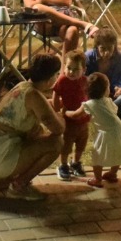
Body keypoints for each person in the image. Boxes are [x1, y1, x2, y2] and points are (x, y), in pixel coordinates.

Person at [0, 51, 65, 200]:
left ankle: (2, 180)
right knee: (56, 143)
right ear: (50, 79)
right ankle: (19, 185)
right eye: (57, 74)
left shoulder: (22, 86)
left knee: (37, 131)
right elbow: (58, 129)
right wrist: (61, 114)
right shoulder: (34, 95)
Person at [51, 51, 91, 181]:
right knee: (67, 144)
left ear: (83, 70)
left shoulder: (85, 81)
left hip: (83, 120)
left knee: (81, 143)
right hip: (68, 119)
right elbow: (56, 93)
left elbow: (89, 95)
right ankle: (63, 165)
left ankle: (75, 162)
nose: (71, 72)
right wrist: (57, 107)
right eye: (68, 68)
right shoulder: (62, 80)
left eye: (76, 69)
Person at [85, 28, 121, 119]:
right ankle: (110, 113)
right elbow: (80, 80)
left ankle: (101, 113)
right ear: (97, 46)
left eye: (110, 48)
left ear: (115, 46)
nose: (106, 52)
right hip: (92, 97)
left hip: (111, 96)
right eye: (103, 48)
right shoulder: (88, 57)